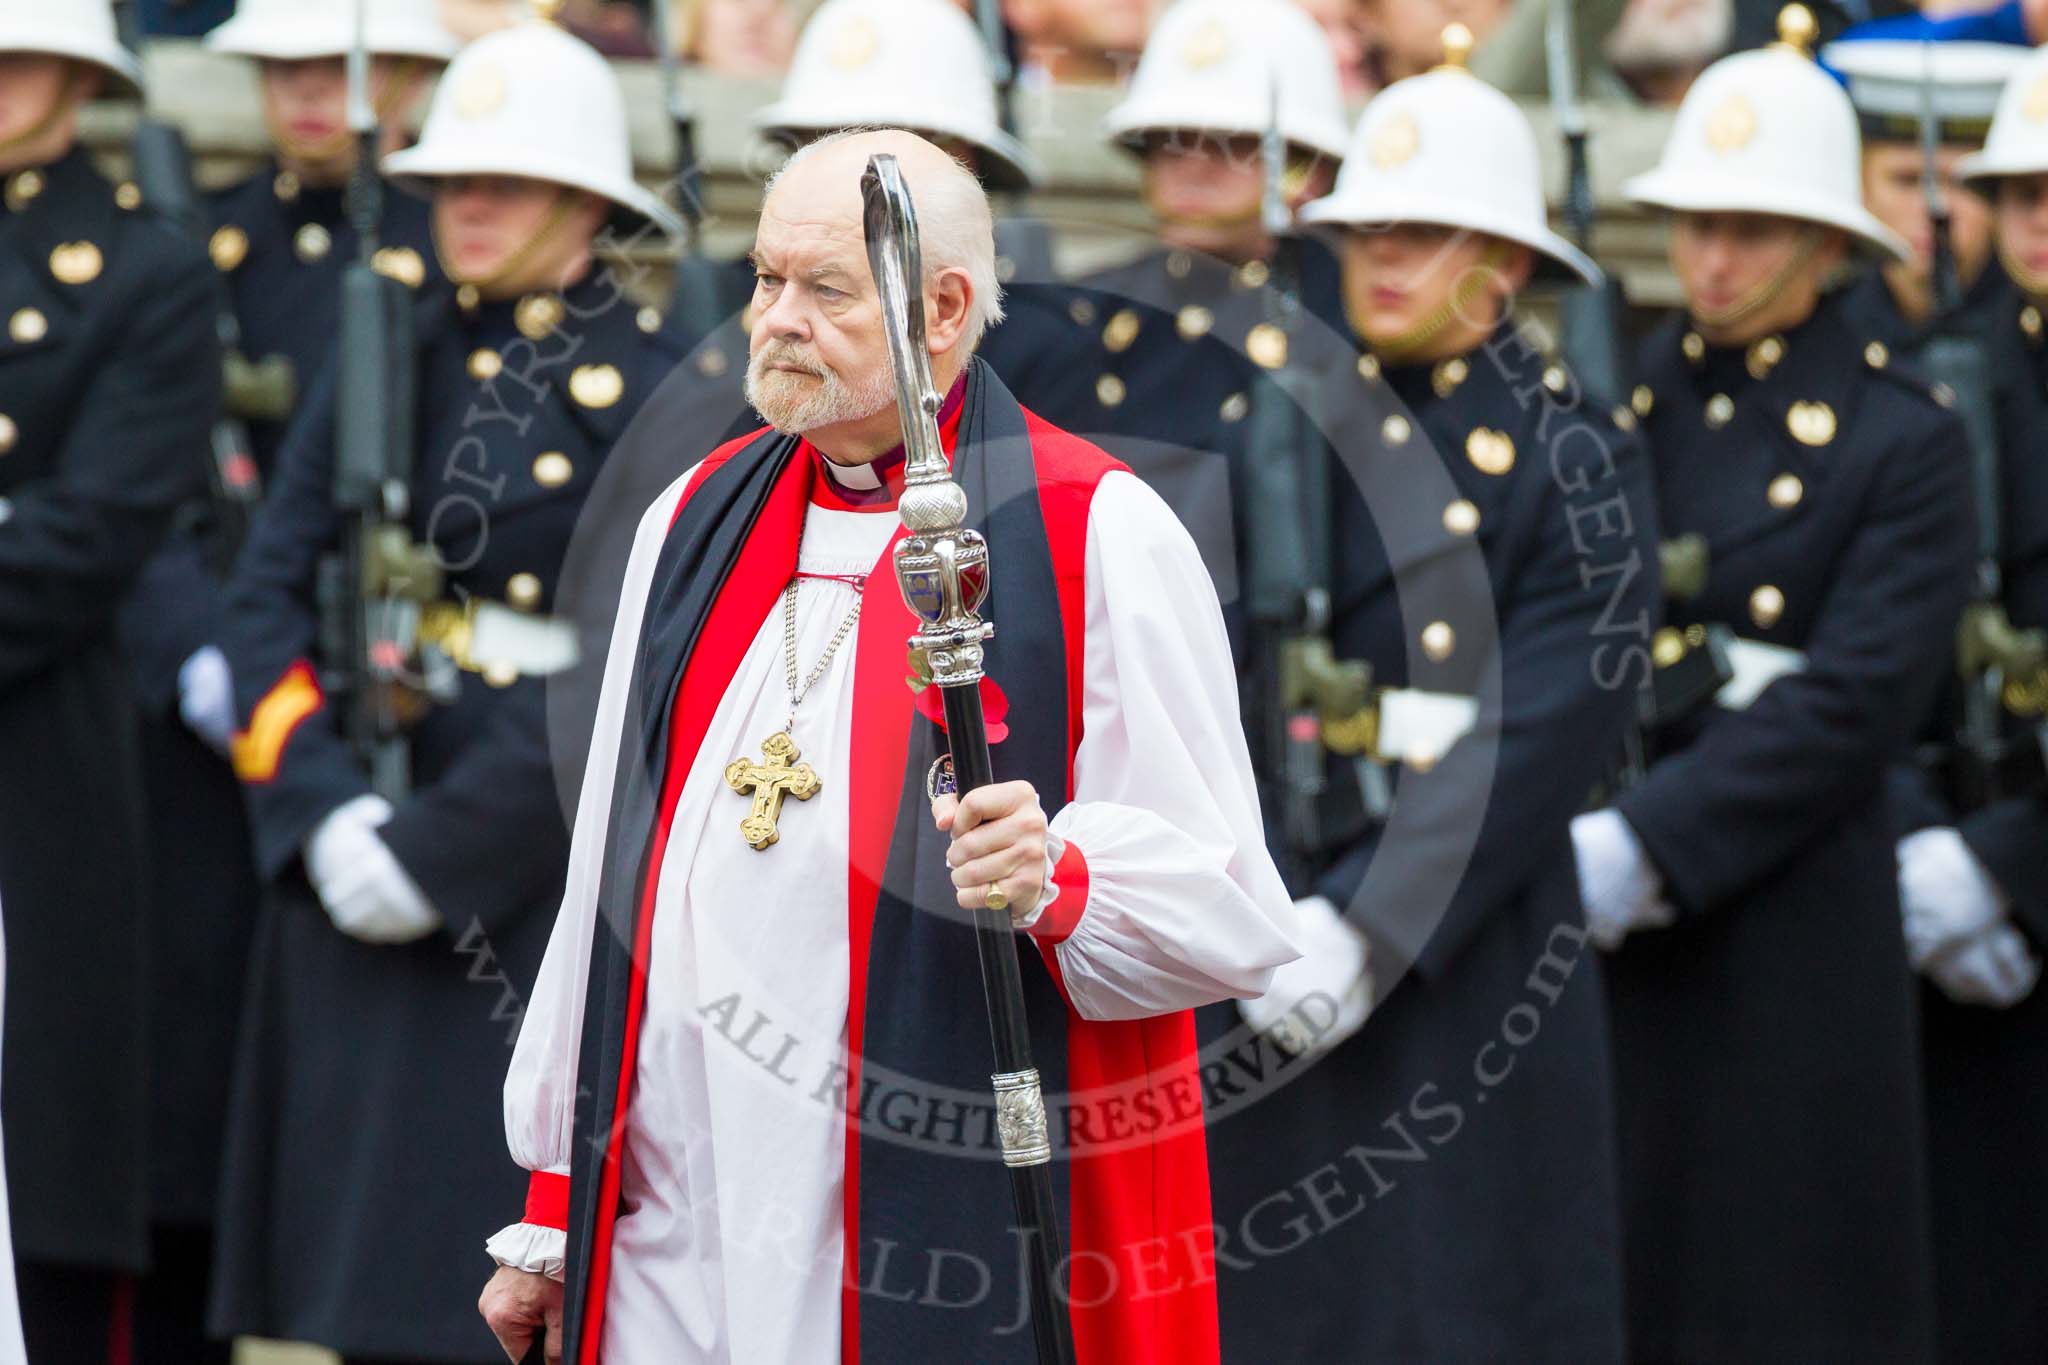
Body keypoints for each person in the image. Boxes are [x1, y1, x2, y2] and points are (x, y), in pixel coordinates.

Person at [474, 127, 1302, 1365]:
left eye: (824, 290)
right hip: (676, 1210)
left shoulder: (1099, 532)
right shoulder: (690, 515)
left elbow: (1231, 914)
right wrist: (554, 1201)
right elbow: (606, 867)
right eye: (763, 280)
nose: (775, 320)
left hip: (913, 1218)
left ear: (944, 308)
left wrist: (1060, 880)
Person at [205, 17, 685, 1364]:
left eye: (507, 183)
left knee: (481, 1309)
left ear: (585, 202)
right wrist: (321, 811)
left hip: (519, 903)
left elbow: (617, 682)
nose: (468, 209)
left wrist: (433, 852)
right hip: (351, 842)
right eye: (451, 182)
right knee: (335, 1313)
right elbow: (266, 599)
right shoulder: (384, 359)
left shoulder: (651, 398)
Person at [1201, 31, 1655, 1363]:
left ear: (1506, 264)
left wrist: (1374, 920)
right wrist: (1265, 903)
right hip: (1278, 926)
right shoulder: (1282, 424)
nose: (1386, 259)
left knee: (1468, 1299)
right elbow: (1214, 675)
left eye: (1429, 232)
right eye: (1368, 231)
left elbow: (1551, 723)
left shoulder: (1577, 455)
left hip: (1469, 946)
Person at [1577, 9, 1974, 1360]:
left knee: (1783, 1287)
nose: (1715, 254)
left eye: (1751, 225)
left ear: (1823, 243)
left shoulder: (1903, 436)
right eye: (1696, 223)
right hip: (1631, 924)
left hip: (1792, 915)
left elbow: (1857, 696)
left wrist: (1650, 840)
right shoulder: (1633, 407)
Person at [0, 1, 224, 1359]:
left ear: (83, 79)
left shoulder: (145, 269)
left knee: (49, 1183)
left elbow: (94, 533)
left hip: (45, 745)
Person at [985, 0, 1350, 619]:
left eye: (1229, 143)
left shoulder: (1343, 316)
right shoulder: (1088, 310)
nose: (1193, 166)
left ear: (1306, 166)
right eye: (1169, 142)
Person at [1887, 45, 2048, 1362]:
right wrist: (1921, 837)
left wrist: (2017, 864)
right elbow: (1874, 646)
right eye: (2021, 188)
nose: (2040, 213)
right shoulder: (1947, 375)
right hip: (1951, 905)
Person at [203, 0, 456, 473]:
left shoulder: (452, 244)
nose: (308, 88)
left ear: (413, 75)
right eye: (284, 65)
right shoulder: (208, 226)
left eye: (343, 65)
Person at [1825, 32, 2027, 348]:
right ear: (1860, 186)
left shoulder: (2032, 339)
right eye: (1907, 180)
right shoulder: (1823, 333)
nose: (1936, 208)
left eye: (1960, 181)